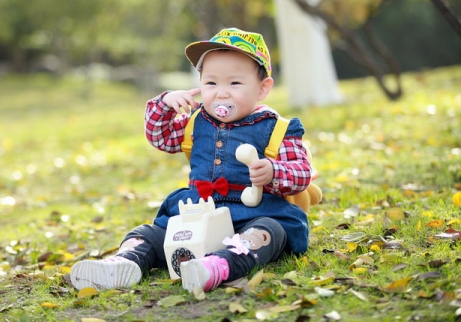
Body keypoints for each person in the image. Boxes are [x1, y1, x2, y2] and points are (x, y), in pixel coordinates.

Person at [70, 27, 313, 293]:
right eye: (211, 83)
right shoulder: (195, 121)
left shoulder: (277, 128)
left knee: (267, 232)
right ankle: (124, 263)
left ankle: (218, 266)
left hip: (253, 213)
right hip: (197, 211)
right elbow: (159, 136)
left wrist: (273, 172)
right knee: (149, 234)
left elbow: (301, 173)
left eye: (234, 83)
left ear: (263, 88)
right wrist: (165, 103)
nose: (221, 93)